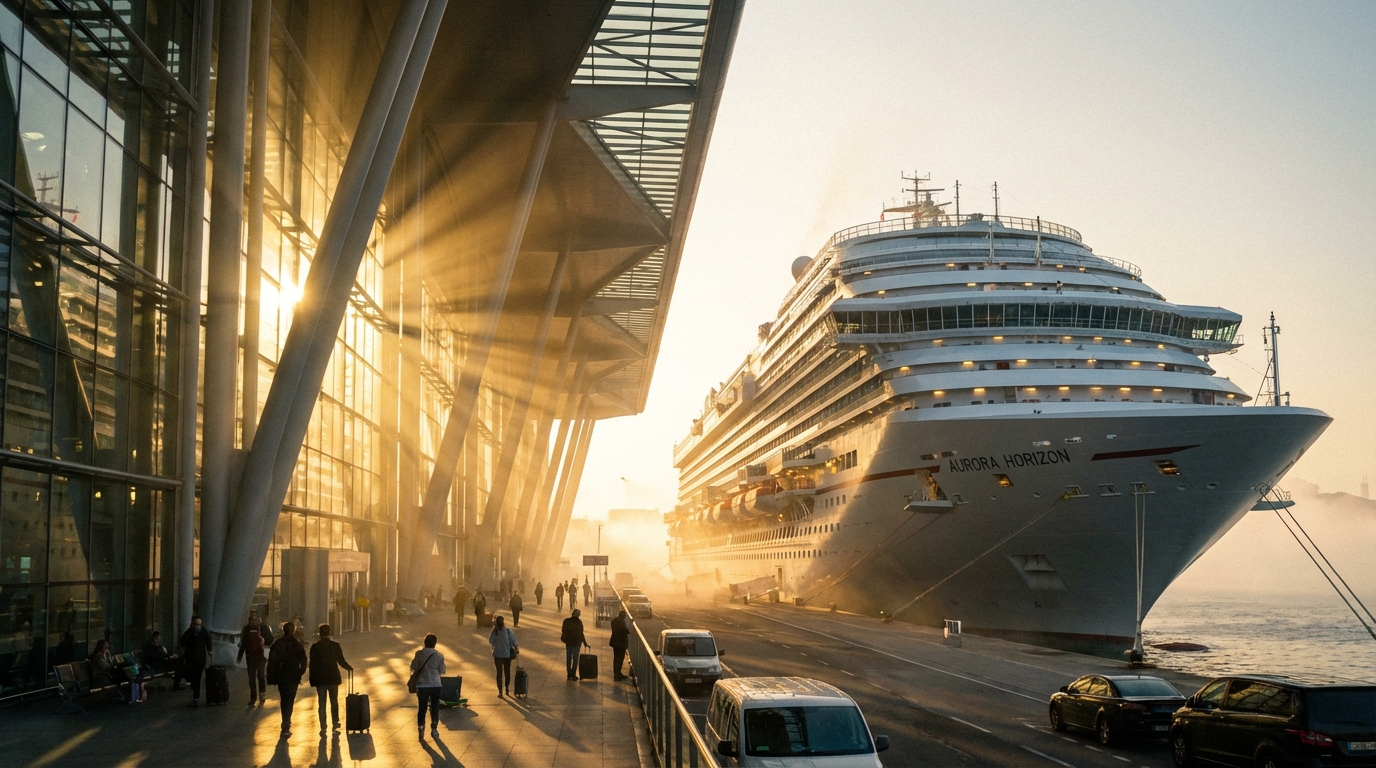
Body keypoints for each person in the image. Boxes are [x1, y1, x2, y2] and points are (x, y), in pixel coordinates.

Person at [308, 624, 353, 735]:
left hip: (320, 679)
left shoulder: (315, 647)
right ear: (329, 632)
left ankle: (323, 727)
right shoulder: (335, 646)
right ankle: (335, 723)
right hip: (333, 678)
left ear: (319, 633)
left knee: (322, 703)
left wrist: (312, 680)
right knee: (334, 702)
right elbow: (341, 660)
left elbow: (312, 665)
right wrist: (349, 668)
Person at [268, 621, 308, 737]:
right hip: (293, 676)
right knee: (290, 700)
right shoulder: (297, 643)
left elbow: (272, 661)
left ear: (283, 630)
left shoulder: (278, 643)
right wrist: (300, 672)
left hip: (281, 676)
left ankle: (285, 723)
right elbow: (303, 660)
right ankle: (286, 724)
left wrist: (271, 675)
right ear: (293, 630)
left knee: (284, 699)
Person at [411, 633, 446, 741]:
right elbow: (443, 670)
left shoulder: (419, 654)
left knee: (422, 708)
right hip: (435, 684)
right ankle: (434, 728)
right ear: (435, 643)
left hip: (422, 685)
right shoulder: (439, 655)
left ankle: (421, 727)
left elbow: (413, 666)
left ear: (424, 642)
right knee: (435, 707)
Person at [238, 609, 275, 705]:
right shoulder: (264, 627)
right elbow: (271, 640)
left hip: (250, 656)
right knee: (261, 676)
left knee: (252, 678)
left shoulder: (247, 628)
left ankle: (253, 698)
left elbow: (243, 642)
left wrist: (239, 656)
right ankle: (262, 696)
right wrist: (264, 643)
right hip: (261, 656)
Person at [179, 615, 214, 706]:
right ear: (192, 623)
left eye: (199, 624)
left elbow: (208, 641)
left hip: (200, 659)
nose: (198, 626)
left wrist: (209, 650)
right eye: (196, 624)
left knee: (197, 678)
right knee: (192, 676)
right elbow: (183, 641)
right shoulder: (189, 632)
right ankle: (194, 687)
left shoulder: (203, 631)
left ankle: (196, 698)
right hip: (190, 659)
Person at [488, 615, 518, 697]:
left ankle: (503, 689)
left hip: (502, 656)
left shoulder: (505, 631)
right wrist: (494, 631)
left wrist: (516, 648)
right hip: (501, 655)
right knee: (503, 673)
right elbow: (491, 641)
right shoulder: (500, 631)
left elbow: (491, 641)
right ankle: (503, 689)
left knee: (503, 673)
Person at [560, 608, 590, 681]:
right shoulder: (579, 622)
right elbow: (581, 634)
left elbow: (563, 631)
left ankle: (569, 674)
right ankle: (573, 674)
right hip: (576, 644)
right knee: (575, 660)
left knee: (568, 659)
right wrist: (585, 643)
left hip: (569, 643)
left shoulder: (566, 621)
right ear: (578, 615)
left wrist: (566, 640)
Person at [609, 609, 631, 681]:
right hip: (621, 643)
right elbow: (626, 631)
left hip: (615, 642)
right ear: (624, 616)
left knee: (616, 658)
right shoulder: (621, 622)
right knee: (620, 658)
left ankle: (616, 673)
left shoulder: (614, 621)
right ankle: (618, 674)